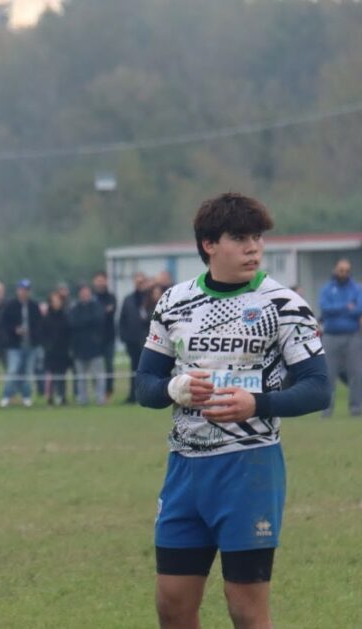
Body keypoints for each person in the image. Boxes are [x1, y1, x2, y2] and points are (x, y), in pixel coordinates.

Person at [135, 192, 329, 629]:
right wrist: (176, 387)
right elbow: (145, 386)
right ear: (208, 244)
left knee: (245, 608)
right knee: (172, 605)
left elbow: (318, 389)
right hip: (185, 470)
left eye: (257, 238)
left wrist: (257, 403)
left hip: (250, 468)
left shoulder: (283, 305)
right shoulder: (174, 302)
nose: (253, 248)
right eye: (240, 238)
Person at [317, 258, 361, 417]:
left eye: (347, 271)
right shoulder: (327, 289)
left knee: (356, 374)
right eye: (341, 270)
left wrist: (340, 310)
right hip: (330, 336)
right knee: (329, 374)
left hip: (353, 336)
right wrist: (345, 307)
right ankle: (327, 409)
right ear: (335, 270)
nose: (344, 273)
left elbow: (358, 309)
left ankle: (356, 409)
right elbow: (325, 308)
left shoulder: (357, 288)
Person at [0, 279, 41, 408]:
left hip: (31, 344)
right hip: (15, 345)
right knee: (13, 370)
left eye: (26, 290)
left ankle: (26, 396)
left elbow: (39, 324)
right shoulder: (10, 306)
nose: (24, 292)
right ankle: (7, 396)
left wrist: (32, 332)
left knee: (28, 372)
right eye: (22, 289)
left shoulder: (34, 306)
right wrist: (15, 330)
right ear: (18, 290)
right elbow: (5, 324)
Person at [68, 285, 107, 405]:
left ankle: (100, 398)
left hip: (95, 347)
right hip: (79, 348)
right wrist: (87, 321)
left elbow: (99, 320)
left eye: (87, 292)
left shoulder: (97, 307)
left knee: (98, 376)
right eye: (82, 293)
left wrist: (83, 321)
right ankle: (82, 399)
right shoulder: (75, 308)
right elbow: (72, 323)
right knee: (81, 377)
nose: (84, 295)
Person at [119, 272, 153, 404]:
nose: (140, 284)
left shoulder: (150, 299)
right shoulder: (128, 299)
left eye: (142, 282)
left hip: (148, 341)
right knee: (133, 369)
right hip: (132, 341)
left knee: (146, 370)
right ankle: (132, 395)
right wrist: (124, 337)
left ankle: (146, 395)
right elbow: (122, 320)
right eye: (137, 282)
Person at [41, 291, 71, 406]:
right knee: (50, 376)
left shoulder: (65, 316)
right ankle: (50, 397)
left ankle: (62, 396)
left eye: (58, 301)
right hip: (50, 352)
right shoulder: (46, 318)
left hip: (62, 351)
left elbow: (68, 333)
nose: (56, 303)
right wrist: (47, 346)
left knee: (62, 376)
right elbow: (42, 334)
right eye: (54, 301)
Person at [92, 271, 117, 400]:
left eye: (102, 280)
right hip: (95, 338)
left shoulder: (111, 297)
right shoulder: (92, 297)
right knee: (95, 367)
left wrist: (99, 312)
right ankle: (97, 391)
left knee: (108, 365)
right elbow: (96, 314)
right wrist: (102, 311)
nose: (100, 282)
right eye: (98, 280)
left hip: (109, 337)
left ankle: (109, 390)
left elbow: (110, 312)